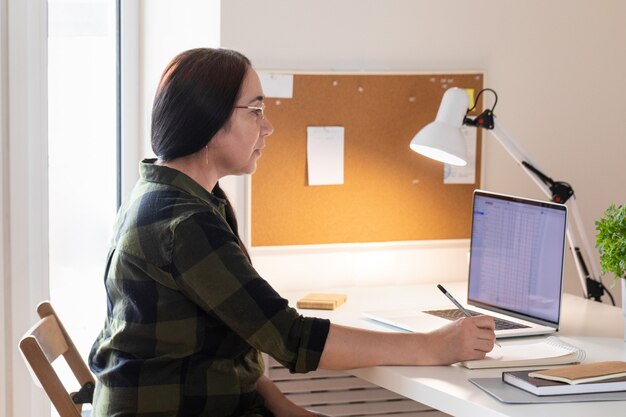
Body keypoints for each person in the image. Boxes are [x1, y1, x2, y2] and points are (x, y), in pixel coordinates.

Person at [88, 47, 496, 417]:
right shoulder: (185, 223)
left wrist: (277, 401)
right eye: (256, 111)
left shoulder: (169, 195)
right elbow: (289, 336)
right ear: (212, 121)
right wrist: (432, 346)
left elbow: (234, 331)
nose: (268, 128)